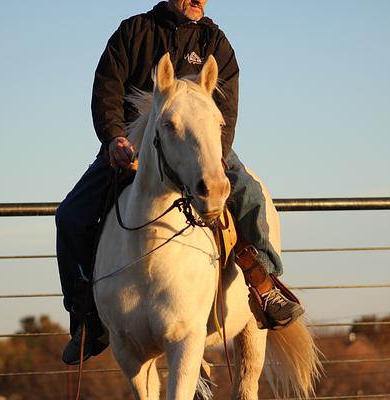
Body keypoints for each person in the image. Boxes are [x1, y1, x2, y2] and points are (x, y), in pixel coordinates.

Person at [56, 0, 304, 366]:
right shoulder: (133, 32)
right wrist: (114, 138)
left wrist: (218, 153)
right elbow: (107, 90)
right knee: (70, 217)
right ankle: (87, 318)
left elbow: (227, 109)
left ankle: (265, 284)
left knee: (249, 194)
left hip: (201, 147)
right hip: (133, 145)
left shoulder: (215, 42)